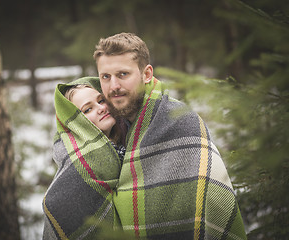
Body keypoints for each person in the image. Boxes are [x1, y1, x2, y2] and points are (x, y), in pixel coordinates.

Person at [92, 32, 247, 239]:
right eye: (105, 77)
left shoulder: (181, 121)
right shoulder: (108, 126)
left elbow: (216, 203)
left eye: (123, 74)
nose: (113, 86)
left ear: (146, 74)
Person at [42, 77, 126, 240]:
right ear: (77, 124)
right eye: (88, 110)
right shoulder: (81, 165)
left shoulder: (126, 146)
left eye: (101, 100)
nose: (101, 108)